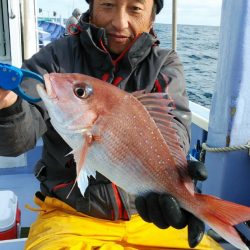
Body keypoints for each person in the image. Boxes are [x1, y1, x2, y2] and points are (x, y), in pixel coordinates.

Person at [0, 0, 221, 249]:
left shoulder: (164, 64)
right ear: (91, 8)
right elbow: (18, 137)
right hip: (69, 214)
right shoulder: (54, 58)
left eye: (135, 8)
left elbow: (175, 126)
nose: (120, 22)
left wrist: (178, 175)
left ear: (151, 18)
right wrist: (8, 106)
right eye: (107, 4)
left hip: (148, 217)